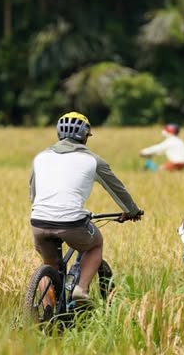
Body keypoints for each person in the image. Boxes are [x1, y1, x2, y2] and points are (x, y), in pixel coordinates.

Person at [29, 111, 143, 303]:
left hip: (38, 222)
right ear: (84, 136)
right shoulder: (93, 160)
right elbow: (117, 189)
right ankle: (81, 290)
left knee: (50, 265)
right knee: (95, 244)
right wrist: (131, 211)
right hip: (72, 223)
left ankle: (46, 315)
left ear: (59, 134)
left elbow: (33, 195)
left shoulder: (40, 157)